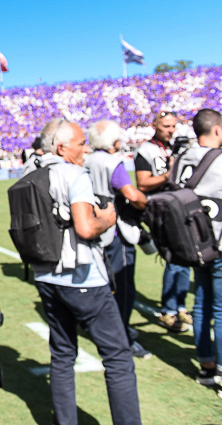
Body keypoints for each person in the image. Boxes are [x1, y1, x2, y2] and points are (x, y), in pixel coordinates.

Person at [31, 119, 141, 424]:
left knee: (63, 355)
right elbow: (85, 226)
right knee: (118, 357)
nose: (86, 148)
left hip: (45, 273)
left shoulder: (32, 172)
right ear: (63, 147)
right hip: (81, 276)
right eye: (81, 143)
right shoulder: (74, 173)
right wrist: (106, 218)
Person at [170, 109, 222, 398]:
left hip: (193, 243)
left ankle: (207, 367)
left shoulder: (182, 158)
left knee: (202, 303)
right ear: (218, 130)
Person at [85, 120, 150, 359]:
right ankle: (121, 336)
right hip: (115, 230)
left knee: (106, 284)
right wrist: (147, 204)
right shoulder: (113, 162)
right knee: (123, 288)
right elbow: (132, 195)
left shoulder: (86, 159)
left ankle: (112, 329)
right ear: (114, 141)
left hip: (94, 228)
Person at [135, 110, 191, 333]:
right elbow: (143, 183)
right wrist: (169, 173)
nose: (171, 130)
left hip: (179, 207)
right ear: (155, 125)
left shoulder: (175, 148)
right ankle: (168, 311)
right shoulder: (146, 150)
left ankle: (180, 306)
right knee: (174, 259)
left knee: (186, 258)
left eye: (173, 126)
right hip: (160, 209)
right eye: (166, 126)